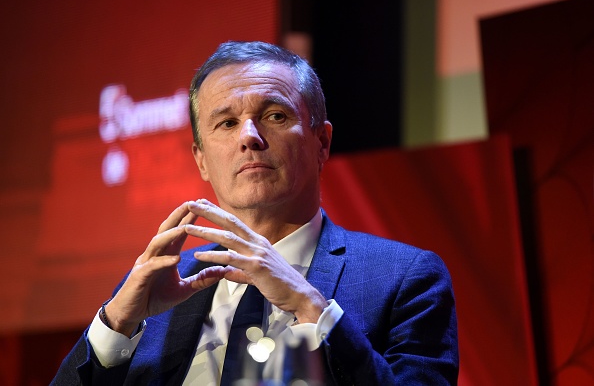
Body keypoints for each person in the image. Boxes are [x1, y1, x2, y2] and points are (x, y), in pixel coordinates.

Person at [52, 40, 458, 385]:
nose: (249, 136)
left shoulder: (405, 278)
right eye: (226, 123)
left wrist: (309, 308)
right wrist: (114, 325)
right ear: (202, 161)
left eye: (274, 116)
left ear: (322, 142)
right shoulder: (158, 288)